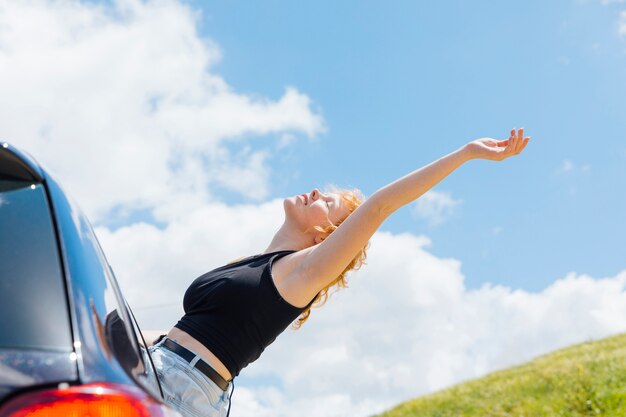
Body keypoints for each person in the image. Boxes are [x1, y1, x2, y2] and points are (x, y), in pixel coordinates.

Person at [147, 128, 531, 417]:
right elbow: (188, 329)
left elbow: (380, 206)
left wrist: (465, 153)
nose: (315, 192)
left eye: (328, 203)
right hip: (156, 363)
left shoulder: (301, 274)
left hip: (181, 389)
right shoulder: (252, 265)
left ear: (329, 235)